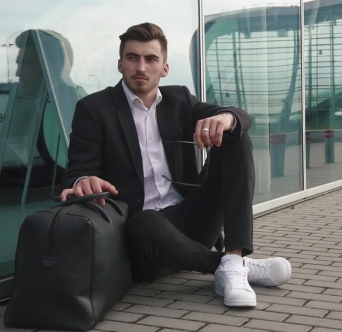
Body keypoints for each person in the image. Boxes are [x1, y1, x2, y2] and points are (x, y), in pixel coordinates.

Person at [59, 22, 291, 308]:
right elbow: (76, 172)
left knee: (236, 137)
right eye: (133, 58)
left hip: (190, 222)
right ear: (120, 64)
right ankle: (230, 266)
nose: (141, 67)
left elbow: (239, 115)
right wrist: (82, 181)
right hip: (141, 239)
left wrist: (226, 119)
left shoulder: (179, 99)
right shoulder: (94, 109)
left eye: (151, 59)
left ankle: (234, 253)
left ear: (164, 68)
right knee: (145, 221)